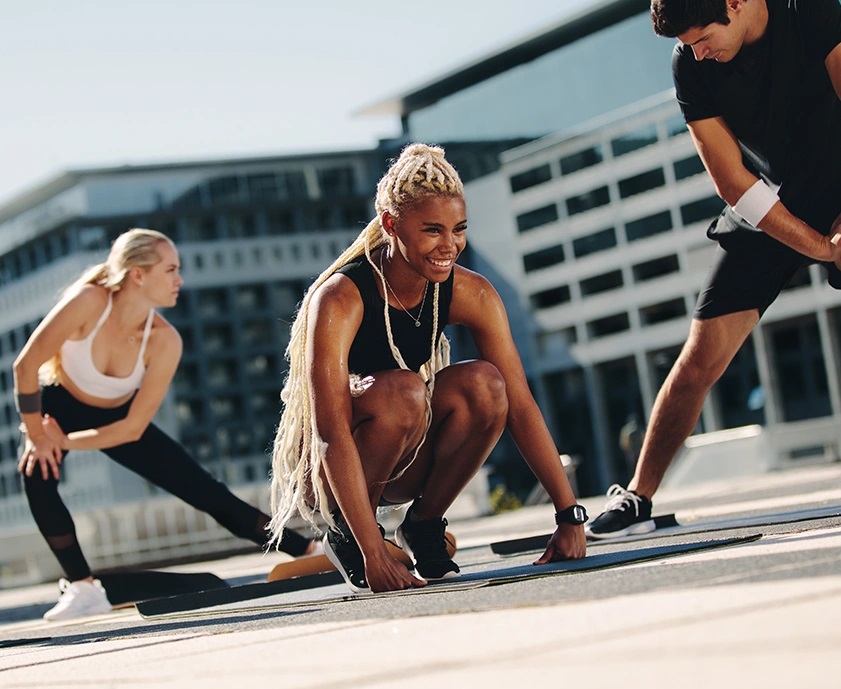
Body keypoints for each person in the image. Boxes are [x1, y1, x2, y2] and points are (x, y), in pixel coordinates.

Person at [268, 143, 587, 594]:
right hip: (335, 476)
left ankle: (423, 524)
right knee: (403, 391)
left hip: (409, 455)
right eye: (432, 230)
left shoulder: (471, 293)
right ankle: (349, 535)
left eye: (458, 229)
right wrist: (371, 553)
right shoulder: (341, 297)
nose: (449, 246)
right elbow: (328, 433)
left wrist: (568, 513)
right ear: (390, 225)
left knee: (489, 386)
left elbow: (519, 402)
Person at [586, 0, 841, 539]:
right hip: (769, 205)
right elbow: (731, 180)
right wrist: (819, 246)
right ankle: (638, 496)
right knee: (702, 353)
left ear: (736, 3)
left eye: (702, 38)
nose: (696, 52)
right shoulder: (689, 63)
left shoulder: (813, 12)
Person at [14, 228, 317, 621]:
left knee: (203, 489)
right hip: (58, 402)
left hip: (119, 419)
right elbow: (25, 365)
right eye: (171, 269)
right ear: (138, 274)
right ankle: (82, 587)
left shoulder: (164, 340)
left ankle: (308, 551)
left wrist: (64, 442)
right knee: (36, 473)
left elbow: (132, 429)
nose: (180, 280)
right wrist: (39, 436)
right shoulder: (89, 301)